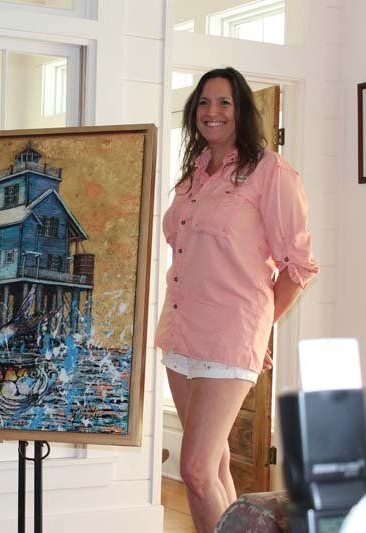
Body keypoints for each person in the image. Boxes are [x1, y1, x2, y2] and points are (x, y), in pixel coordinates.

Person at [155, 67, 319, 532]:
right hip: (181, 331)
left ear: (242, 109)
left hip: (230, 334)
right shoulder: (193, 175)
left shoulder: (271, 172)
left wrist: (261, 329)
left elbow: (300, 267)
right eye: (204, 102)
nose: (213, 111)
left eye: (224, 102)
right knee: (218, 467)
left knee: (195, 471)